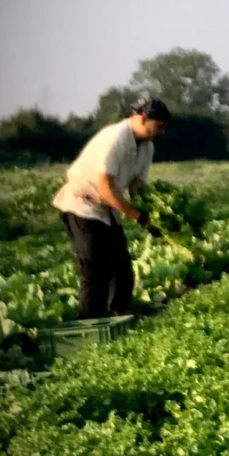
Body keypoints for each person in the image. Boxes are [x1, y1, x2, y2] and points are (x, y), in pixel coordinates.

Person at [51, 97, 171, 319]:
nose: (161, 132)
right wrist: (137, 216)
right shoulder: (115, 138)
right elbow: (105, 186)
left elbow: (137, 188)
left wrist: (158, 216)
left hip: (107, 208)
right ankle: (89, 325)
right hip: (83, 204)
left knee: (122, 269)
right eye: (159, 126)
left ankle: (119, 317)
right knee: (94, 268)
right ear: (143, 119)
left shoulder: (147, 147)